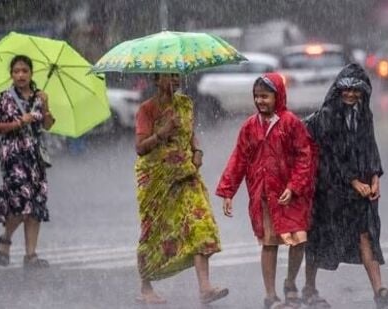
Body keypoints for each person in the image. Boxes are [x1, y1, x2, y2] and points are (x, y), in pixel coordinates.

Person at [303, 63, 388, 309]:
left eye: (355, 90)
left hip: (359, 186)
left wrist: (375, 176)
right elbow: (332, 153)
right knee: (319, 237)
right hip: (330, 187)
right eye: (345, 89)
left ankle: (379, 290)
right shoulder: (328, 115)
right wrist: (353, 181)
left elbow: (369, 145)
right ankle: (308, 287)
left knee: (365, 235)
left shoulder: (363, 113)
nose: (350, 94)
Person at [216, 73, 315, 309]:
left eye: (265, 96)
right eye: (257, 96)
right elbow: (238, 159)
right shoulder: (250, 127)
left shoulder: (291, 123)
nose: (260, 101)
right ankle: (270, 296)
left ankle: (290, 282)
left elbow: (305, 157)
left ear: (278, 96)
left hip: (291, 196)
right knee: (269, 244)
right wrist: (228, 191)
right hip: (264, 196)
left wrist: (294, 186)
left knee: (298, 241)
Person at [134, 73, 228, 305]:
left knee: (200, 224)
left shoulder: (185, 104)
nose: (176, 80)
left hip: (186, 174)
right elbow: (140, 148)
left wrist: (197, 152)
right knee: (154, 232)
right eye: (170, 76)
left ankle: (205, 288)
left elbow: (191, 135)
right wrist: (161, 133)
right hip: (157, 180)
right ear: (157, 80)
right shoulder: (147, 109)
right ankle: (146, 288)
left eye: (178, 76)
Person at [0, 55, 55, 269]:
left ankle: (31, 255)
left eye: (24, 71)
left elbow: (48, 125)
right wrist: (18, 122)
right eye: (16, 71)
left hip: (35, 158)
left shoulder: (39, 96)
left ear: (31, 73)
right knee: (20, 203)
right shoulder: (4, 98)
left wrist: (45, 106)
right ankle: (5, 238)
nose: (20, 75)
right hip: (13, 157)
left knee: (35, 206)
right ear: (11, 74)